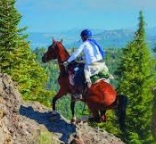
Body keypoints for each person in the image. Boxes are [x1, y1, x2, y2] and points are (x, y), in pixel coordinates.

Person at [63, 29, 113, 97]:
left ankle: (79, 92)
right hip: (102, 64)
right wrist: (81, 58)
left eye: (81, 37)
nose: (81, 38)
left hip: (93, 66)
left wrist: (67, 61)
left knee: (79, 74)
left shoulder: (84, 44)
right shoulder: (94, 43)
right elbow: (91, 56)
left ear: (84, 37)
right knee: (105, 73)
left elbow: (75, 54)